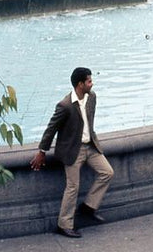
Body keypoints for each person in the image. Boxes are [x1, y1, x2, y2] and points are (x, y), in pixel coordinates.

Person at [30, 67, 115, 238]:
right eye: (89, 81)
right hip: (72, 151)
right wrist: (42, 151)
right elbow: (51, 129)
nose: (92, 83)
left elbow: (88, 122)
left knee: (107, 172)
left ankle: (88, 207)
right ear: (80, 84)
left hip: (90, 146)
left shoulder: (92, 97)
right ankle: (64, 224)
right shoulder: (65, 105)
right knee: (72, 187)